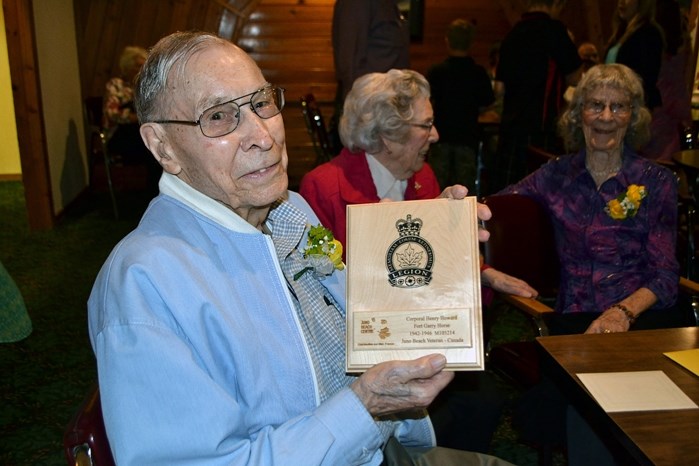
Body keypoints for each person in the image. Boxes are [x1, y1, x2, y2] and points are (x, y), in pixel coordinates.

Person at [87, 30, 516, 466]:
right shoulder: (145, 285)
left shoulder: (288, 208)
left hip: (382, 445)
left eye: (261, 103)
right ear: (163, 147)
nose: (263, 135)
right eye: (218, 117)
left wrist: (431, 248)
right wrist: (365, 407)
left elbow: (359, 331)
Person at [299, 67, 536, 454]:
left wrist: (483, 272)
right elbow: (318, 292)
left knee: (484, 401)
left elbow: (426, 263)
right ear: (387, 134)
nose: (437, 135)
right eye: (427, 125)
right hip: (361, 354)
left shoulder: (422, 175)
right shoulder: (323, 187)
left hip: (423, 335)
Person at [493, 0, 582, 191]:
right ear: (555, 4)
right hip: (542, 128)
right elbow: (576, 77)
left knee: (508, 192)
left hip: (511, 129)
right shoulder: (556, 31)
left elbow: (499, 88)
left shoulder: (512, 34)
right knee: (542, 193)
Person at [329, 0, 411, 154]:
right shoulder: (358, 4)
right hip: (369, 123)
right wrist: (361, 125)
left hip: (387, 117)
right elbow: (349, 65)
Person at [426, 19, 495, 191]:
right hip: (467, 138)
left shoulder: (436, 72)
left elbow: (427, 103)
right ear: (471, 43)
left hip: (441, 138)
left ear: (447, 40)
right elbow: (487, 103)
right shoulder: (478, 73)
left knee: (436, 188)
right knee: (464, 191)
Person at [102, 45, 161, 195]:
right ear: (127, 67)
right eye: (138, 65)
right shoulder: (116, 85)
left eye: (143, 65)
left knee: (159, 142)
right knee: (153, 146)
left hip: (140, 135)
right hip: (120, 137)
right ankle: (153, 193)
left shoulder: (145, 87)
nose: (142, 70)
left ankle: (157, 191)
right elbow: (112, 113)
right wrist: (136, 117)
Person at [604, 0, 664, 111]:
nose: (621, 2)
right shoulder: (620, 32)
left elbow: (645, 79)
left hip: (631, 108)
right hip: (613, 104)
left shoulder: (648, 33)